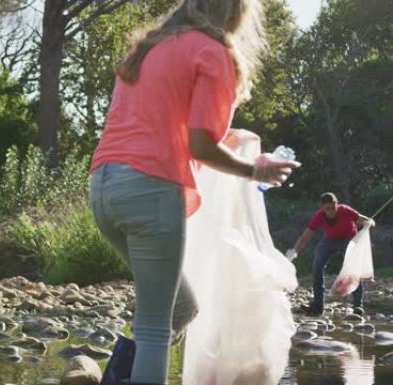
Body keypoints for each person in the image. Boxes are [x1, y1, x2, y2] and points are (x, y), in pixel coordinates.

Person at [88, 1, 300, 384]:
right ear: (233, 14)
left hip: (104, 187)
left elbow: (170, 128)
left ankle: (117, 376)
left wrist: (227, 143)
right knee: (156, 327)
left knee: (181, 306)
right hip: (150, 189)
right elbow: (202, 147)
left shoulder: (149, 47)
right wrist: (254, 170)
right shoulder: (212, 51)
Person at [286, 192, 375, 317]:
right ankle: (318, 306)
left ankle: (357, 306)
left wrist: (368, 223)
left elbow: (370, 221)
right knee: (317, 266)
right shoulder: (318, 216)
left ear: (336, 204)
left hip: (349, 240)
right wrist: (295, 251)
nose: (331, 211)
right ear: (322, 207)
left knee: (353, 269)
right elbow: (305, 236)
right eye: (328, 208)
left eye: (333, 207)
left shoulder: (345, 210)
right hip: (330, 240)